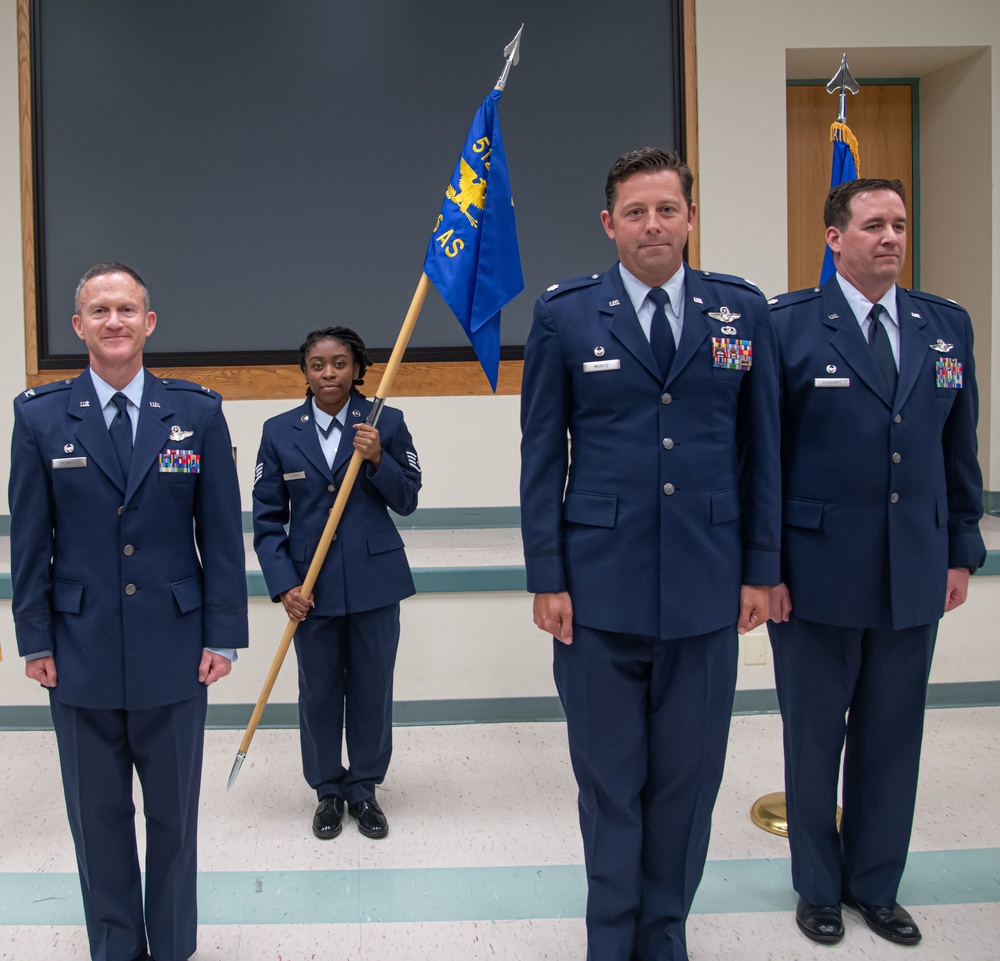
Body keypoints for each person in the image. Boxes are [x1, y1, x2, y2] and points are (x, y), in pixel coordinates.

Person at [519, 147, 780, 961]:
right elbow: (540, 457)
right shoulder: (565, 315)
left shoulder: (740, 312)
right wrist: (547, 577)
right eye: (636, 211)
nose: (653, 224)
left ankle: (664, 932)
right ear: (609, 224)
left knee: (687, 784)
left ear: (691, 218)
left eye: (668, 208)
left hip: (707, 585)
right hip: (597, 593)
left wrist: (761, 570)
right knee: (608, 782)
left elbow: (761, 449)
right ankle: (611, 936)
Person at [767, 178, 986, 947]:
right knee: (814, 737)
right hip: (815, 572)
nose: (890, 237)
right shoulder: (789, 327)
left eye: (899, 224)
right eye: (872, 225)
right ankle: (819, 888)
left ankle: (875, 885)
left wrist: (962, 547)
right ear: (835, 239)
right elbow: (762, 459)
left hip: (915, 569)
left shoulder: (943, 325)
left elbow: (961, 450)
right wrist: (767, 569)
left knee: (894, 738)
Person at [9, 262, 248, 961]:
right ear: (78, 325)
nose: (113, 321)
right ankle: (116, 948)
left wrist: (224, 636)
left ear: (149, 323)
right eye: (99, 309)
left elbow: (222, 537)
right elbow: (29, 540)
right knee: (98, 819)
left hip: (176, 648)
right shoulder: (40, 416)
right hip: (77, 650)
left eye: (127, 309)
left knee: (175, 819)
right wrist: (34, 638)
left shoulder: (196, 412)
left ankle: (172, 947)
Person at [252, 327, 420, 841]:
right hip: (312, 588)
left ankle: (364, 789)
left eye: (340, 363)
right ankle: (327, 789)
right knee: (319, 691)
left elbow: (408, 497)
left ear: (357, 368)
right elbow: (265, 521)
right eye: (318, 364)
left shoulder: (385, 422)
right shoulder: (279, 431)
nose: (329, 373)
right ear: (305, 371)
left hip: (375, 582)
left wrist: (377, 460)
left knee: (372, 688)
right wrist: (284, 586)